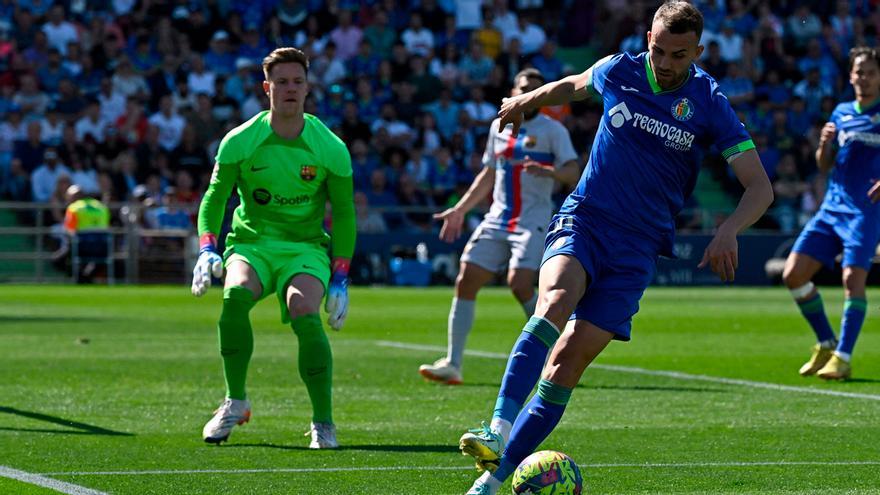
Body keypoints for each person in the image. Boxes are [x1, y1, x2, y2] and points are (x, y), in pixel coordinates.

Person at [459, 3, 774, 494]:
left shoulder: (709, 101)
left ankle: (492, 484)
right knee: (555, 302)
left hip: (639, 249)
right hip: (586, 219)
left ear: (699, 51)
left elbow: (759, 187)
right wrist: (529, 100)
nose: (666, 63)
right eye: (659, 50)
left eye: (679, 55)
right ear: (647, 37)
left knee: (567, 362)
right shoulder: (620, 70)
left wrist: (730, 228)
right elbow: (574, 84)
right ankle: (495, 429)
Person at [191, 47, 356, 449]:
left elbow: (346, 213)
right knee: (233, 296)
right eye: (281, 82)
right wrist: (207, 248)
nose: (290, 89)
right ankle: (236, 401)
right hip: (253, 244)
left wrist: (340, 277)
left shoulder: (330, 146)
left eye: (297, 81)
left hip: (304, 248)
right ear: (267, 88)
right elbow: (215, 199)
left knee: (304, 309)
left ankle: (323, 422)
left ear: (307, 87)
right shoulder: (240, 140)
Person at [419, 68, 579, 385]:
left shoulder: (553, 130)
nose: (530, 92)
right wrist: (460, 209)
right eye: (524, 87)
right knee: (466, 279)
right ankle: (453, 363)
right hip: (498, 217)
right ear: (514, 90)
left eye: (537, 88)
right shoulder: (499, 127)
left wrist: (549, 172)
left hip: (533, 218)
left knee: (519, 284)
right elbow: (489, 174)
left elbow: (572, 172)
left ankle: (557, 351)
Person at [782, 46, 880, 381]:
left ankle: (844, 356)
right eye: (858, 71)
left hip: (865, 212)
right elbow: (824, 166)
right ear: (850, 75)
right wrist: (825, 145)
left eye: (869, 72)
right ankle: (826, 341)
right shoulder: (840, 112)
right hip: (831, 208)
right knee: (793, 274)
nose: (863, 78)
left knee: (853, 281)